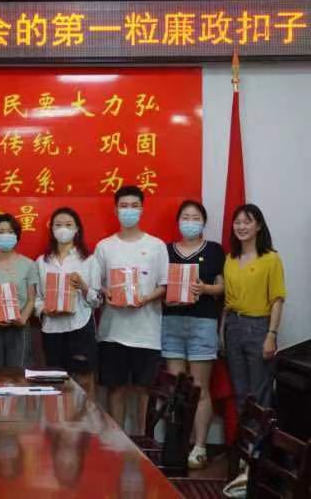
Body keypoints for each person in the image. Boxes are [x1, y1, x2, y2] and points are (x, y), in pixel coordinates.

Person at [94, 185, 168, 434]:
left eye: (134, 206)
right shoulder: (104, 246)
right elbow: (97, 285)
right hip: (113, 331)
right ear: (116, 211)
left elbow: (164, 285)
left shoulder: (156, 245)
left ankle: (143, 443)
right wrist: (107, 293)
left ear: (142, 209)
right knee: (115, 388)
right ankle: (118, 443)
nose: (129, 211)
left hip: (147, 332)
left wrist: (145, 298)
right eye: (124, 206)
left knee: (144, 390)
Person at [161, 200, 225, 469]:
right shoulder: (165, 251)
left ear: (203, 222)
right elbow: (160, 286)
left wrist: (204, 289)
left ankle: (199, 447)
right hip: (172, 323)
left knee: (199, 387)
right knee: (176, 389)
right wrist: (167, 296)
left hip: (202, 323)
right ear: (178, 222)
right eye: (185, 217)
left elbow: (222, 287)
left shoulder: (214, 250)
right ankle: (177, 444)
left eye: (195, 217)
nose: (190, 222)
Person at [223, 203, 286, 412]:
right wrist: (222, 332)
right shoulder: (230, 258)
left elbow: (277, 300)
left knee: (259, 394)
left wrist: (271, 335)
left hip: (259, 327)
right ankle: (244, 435)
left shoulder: (271, 258)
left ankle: (260, 435)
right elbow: (227, 302)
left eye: (247, 222)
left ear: (258, 226)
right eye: (237, 222)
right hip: (233, 327)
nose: (241, 227)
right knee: (239, 392)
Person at [35, 207, 101, 398]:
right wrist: (45, 310)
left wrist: (83, 287)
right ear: (52, 230)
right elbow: (37, 298)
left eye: (68, 224)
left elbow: (98, 300)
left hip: (80, 326)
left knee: (84, 380)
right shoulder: (42, 262)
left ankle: (85, 417)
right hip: (52, 329)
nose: (63, 229)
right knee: (55, 383)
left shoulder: (88, 260)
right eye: (58, 225)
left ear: (77, 229)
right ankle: (57, 418)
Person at [0, 213, 37, 367]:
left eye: (10, 232)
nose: (5, 235)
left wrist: (23, 319)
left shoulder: (28, 264)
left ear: (17, 236)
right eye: (1, 232)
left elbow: (32, 299)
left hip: (20, 327)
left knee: (18, 374)